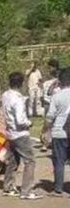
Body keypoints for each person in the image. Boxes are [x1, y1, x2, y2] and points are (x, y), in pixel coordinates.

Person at [0, 72, 41, 200]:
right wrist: (29, 123)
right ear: (21, 83)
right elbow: (20, 120)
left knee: (13, 161)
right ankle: (26, 191)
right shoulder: (18, 99)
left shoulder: (5, 95)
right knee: (30, 161)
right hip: (20, 134)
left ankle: (8, 187)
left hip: (10, 133)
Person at [45, 68, 70, 196]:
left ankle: (58, 188)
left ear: (60, 81)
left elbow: (50, 116)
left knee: (59, 161)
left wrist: (47, 130)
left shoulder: (56, 96)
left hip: (59, 132)